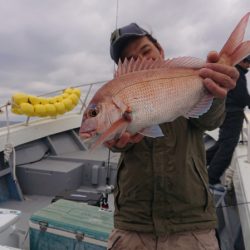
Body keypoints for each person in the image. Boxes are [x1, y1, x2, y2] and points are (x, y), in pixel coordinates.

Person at [106, 23, 238, 250]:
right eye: (130, 58)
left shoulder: (184, 80)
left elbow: (210, 121)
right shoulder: (118, 97)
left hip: (191, 225)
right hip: (132, 224)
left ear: (161, 50)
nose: (143, 61)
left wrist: (216, 93)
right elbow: (118, 144)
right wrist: (112, 139)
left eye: (146, 51)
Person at [206, 56, 250, 188]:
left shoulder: (231, 72)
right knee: (228, 146)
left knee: (222, 143)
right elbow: (241, 97)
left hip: (226, 112)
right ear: (242, 61)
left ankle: (200, 164)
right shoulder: (237, 74)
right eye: (248, 62)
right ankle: (212, 178)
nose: (249, 65)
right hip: (233, 114)